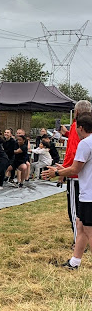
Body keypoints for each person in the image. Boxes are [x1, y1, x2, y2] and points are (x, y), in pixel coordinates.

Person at [42, 113, 92, 269]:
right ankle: (74, 262)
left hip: (89, 195)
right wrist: (64, 169)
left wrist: (56, 173)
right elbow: (82, 169)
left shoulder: (85, 144)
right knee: (80, 225)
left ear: (81, 127)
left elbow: (76, 169)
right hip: (87, 192)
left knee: (89, 230)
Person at [56, 100, 92, 243]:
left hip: (75, 175)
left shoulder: (78, 127)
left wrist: (62, 172)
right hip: (84, 175)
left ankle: (79, 242)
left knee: (76, 213)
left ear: (76, 113)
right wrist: (67, 134)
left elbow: (72, 152)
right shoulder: (85, 131)